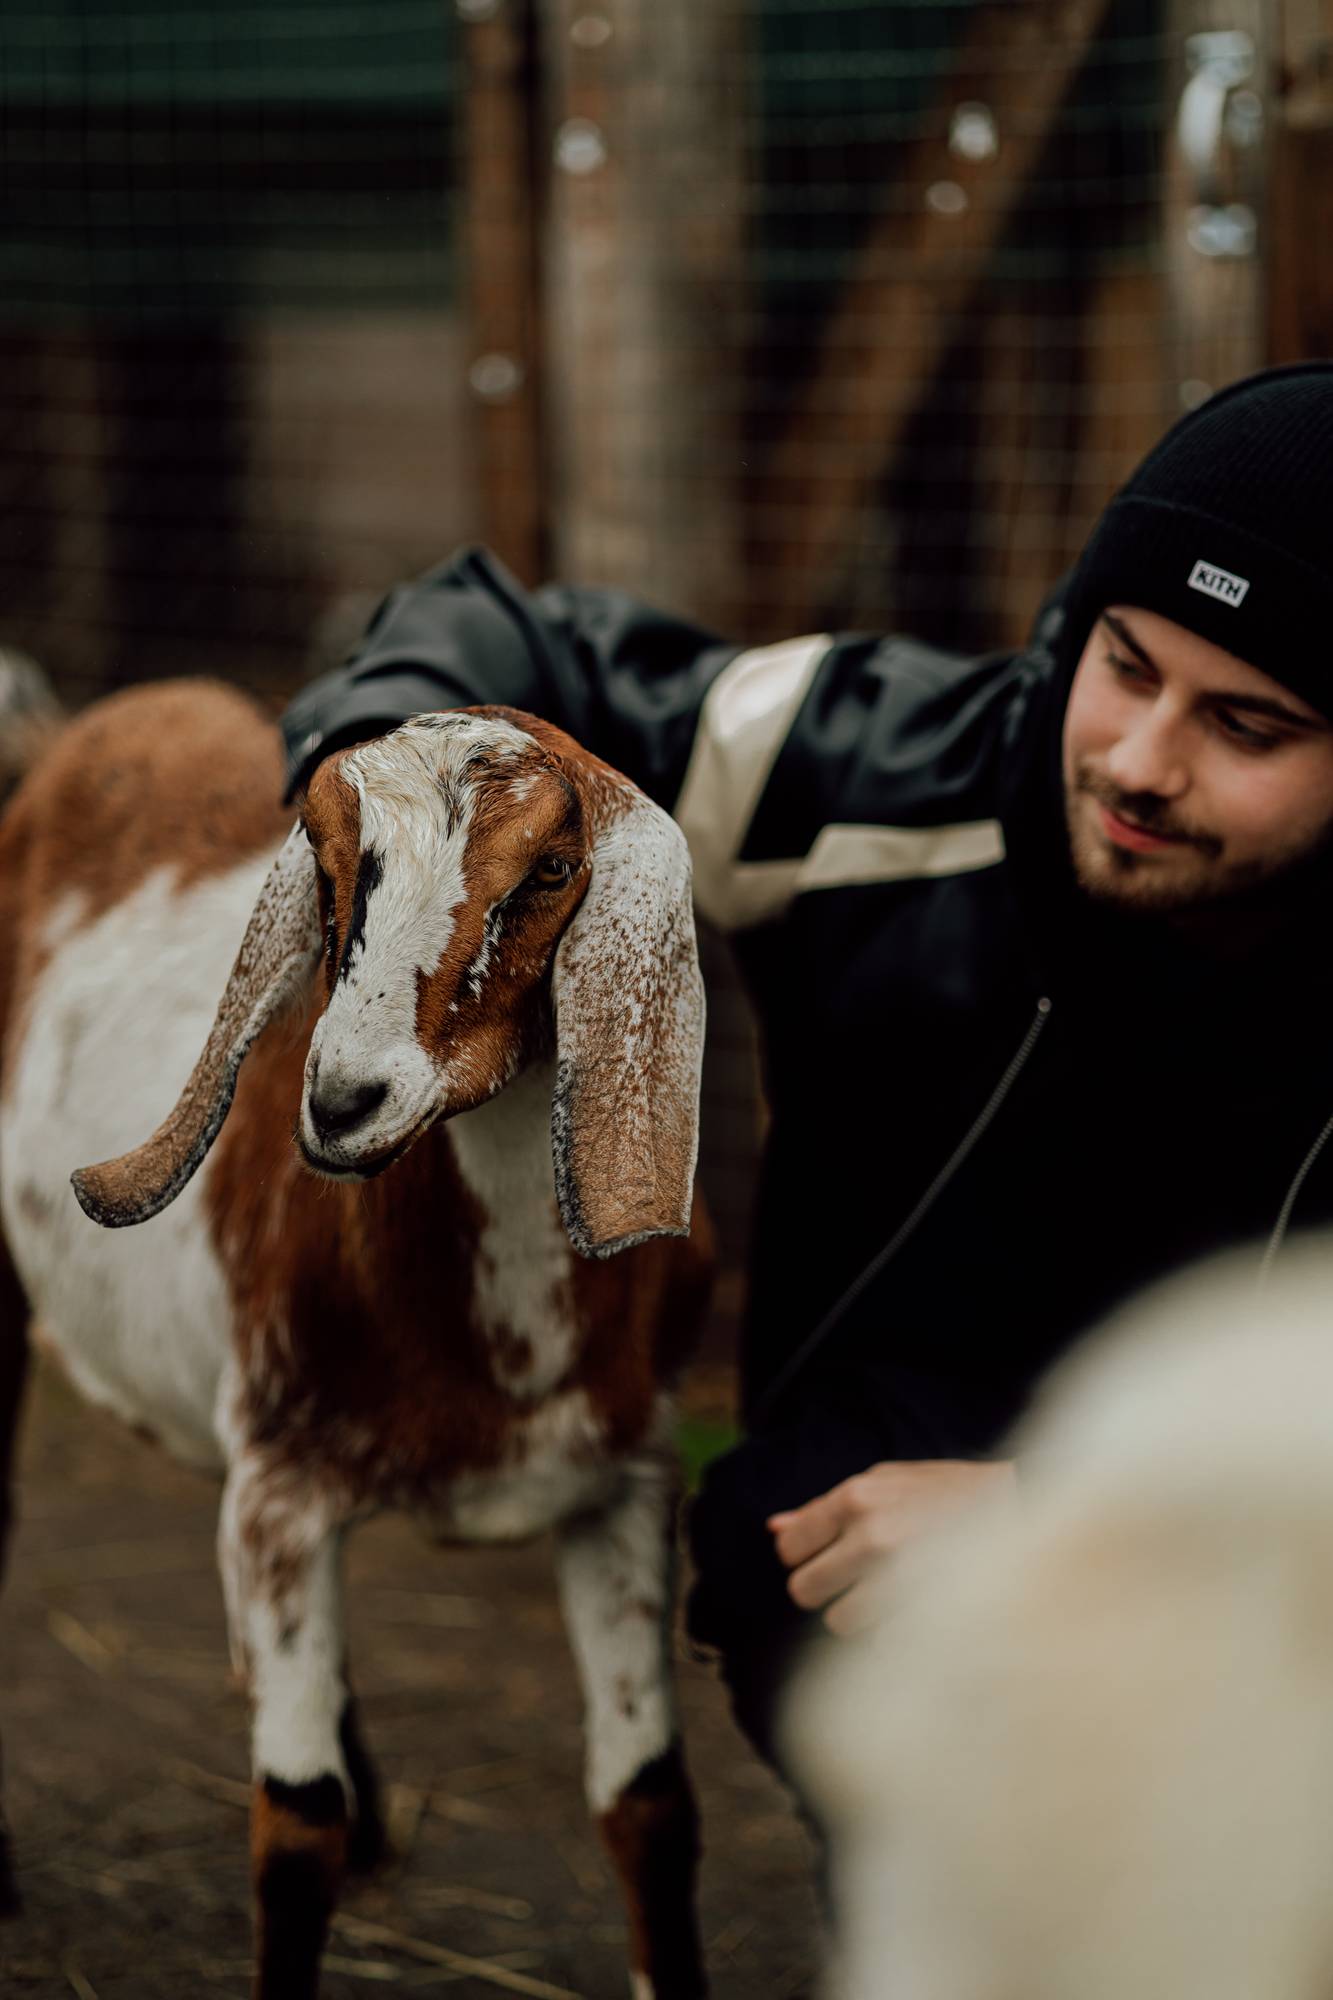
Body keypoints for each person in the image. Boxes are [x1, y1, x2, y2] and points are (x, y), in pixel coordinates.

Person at [280, 363, 1333, 1772]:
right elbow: (527, 644)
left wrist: (1079, 1512)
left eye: (1244, 725)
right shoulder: (893, 770)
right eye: (1125, 665)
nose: (1140, 761)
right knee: (820, 1561)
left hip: (1266, 1539)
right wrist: (394, 786)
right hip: (905, 1476)